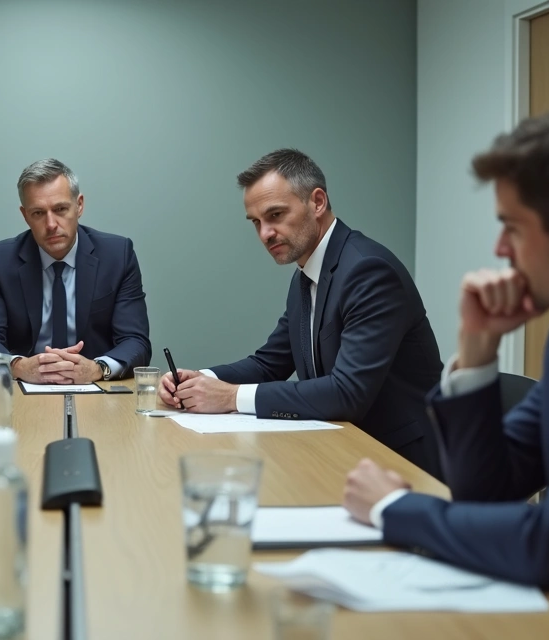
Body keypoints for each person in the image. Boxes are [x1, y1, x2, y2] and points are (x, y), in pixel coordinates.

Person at [341, 103, 549, 623]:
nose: (499, 248)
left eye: (512, 227)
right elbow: (487, 494)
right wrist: (477, 350)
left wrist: (393, 508)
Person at [159, 149, 444, 478]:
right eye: (256, 223)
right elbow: (270, 363)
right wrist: (200, 379)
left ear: (317, 202)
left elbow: (346, 392)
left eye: (276, 215)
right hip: (343, 452)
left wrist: (231, 396)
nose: (265, 233)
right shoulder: (307, 275)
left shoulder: (368, 270)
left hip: (404, 463)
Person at [0, 158, 152, 383]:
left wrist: (97, 368)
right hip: (25, 391)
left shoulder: (117, 255)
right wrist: (19, 366)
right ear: (25, 215)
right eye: (38, 213)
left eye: (60, 209)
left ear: (79, 205)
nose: (51, 224)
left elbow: (135, 342)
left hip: (96, 391)